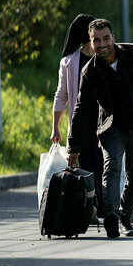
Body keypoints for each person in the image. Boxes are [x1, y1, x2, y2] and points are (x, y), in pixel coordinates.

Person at [68, 19, 133, 238]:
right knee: (111, 167)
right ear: (91, 42)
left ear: (113, 38)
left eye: (106, 38)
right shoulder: (90, 71)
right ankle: (111, 215)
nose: (102, 44)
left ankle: (125, 217)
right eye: (96, 40)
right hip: (112, 127)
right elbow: (81, 108)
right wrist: (72, 147)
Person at [51, 13, 103, 222]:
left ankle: (104, 206)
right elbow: (61, 96)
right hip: (82, 124)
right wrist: (56, 127)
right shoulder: (69, 63)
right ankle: (93, 206)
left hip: (107, 122)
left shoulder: (107, 56)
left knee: (106, 165)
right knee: (90, 166)